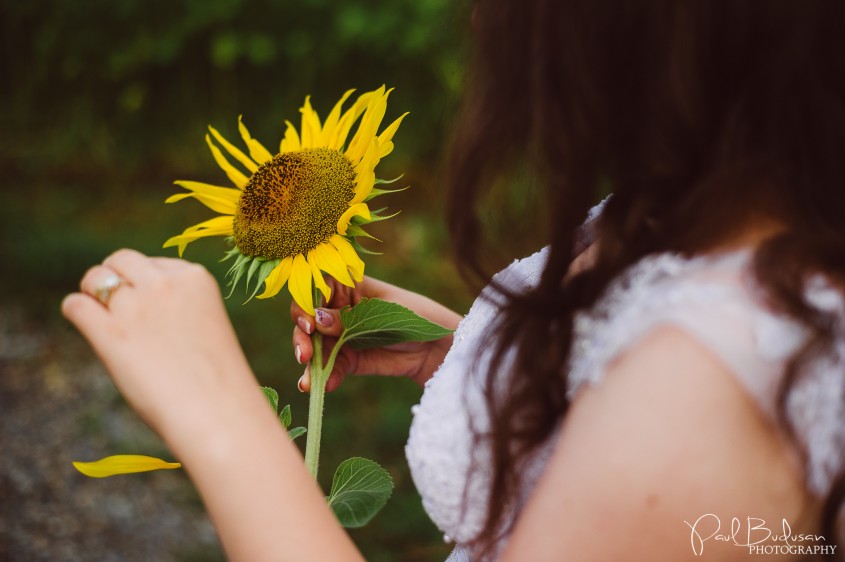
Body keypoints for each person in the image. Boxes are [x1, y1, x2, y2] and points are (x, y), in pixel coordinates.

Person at [62, 1, 845, 560]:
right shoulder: (698, 211)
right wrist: (467, 355)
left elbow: (660, 415)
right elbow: (607, 402)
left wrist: (219, 415)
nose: (477, 18)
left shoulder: (707, 392)